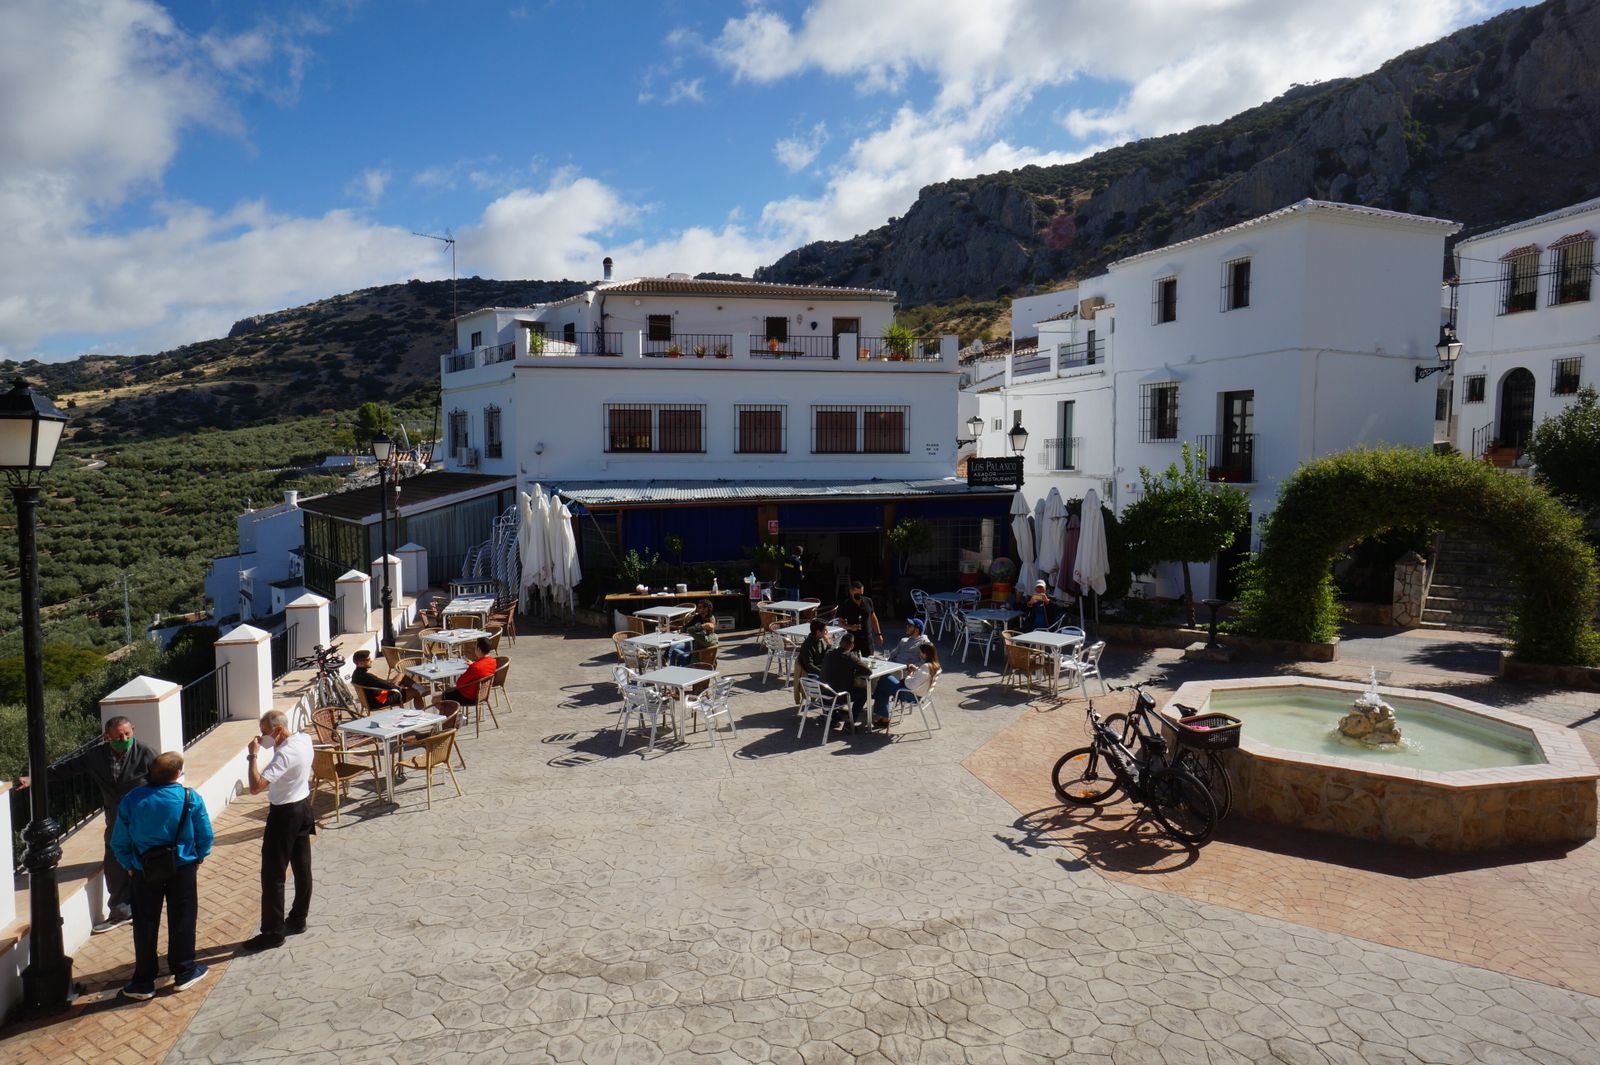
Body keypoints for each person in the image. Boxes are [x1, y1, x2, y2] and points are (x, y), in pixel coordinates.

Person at [14, 716, 155, 934]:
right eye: (118, 736)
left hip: (143, 819)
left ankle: (146, 907)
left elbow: (163, 782)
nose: (124, 738)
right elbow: (65, 768)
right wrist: (33, 778)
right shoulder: (95, 756)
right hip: (116, 821)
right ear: (107, 736)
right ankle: (121, 912)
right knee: (115, 862)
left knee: (145, 861)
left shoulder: (146, 754)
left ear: (133, 730)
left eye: (127, 733)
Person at [111, 750, 213, 999]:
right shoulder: (190, 797)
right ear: (178, 773)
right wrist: (198, 857)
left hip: (144, 869)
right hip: (182, 867)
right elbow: (205, 835)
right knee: (183, 918)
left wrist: (129, 865)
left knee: (145, 923)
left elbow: (119, 841)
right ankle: (184, 971)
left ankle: (144, 981)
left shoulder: (131, 800)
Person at [244, 710, 314, 951]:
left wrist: (252, 756)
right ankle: (298, 918)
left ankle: (273, 932)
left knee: (273, 874)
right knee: (302, 866)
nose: (261, 738)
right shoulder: (304, 739)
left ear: (278, 731)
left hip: (285, 814)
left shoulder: (285, 753)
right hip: (304, 806)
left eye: (264, 734)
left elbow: (255, 787)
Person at [871, 618, 933, 725]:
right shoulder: (904, 640)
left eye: (910, 626)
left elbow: (925, 660)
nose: (907, 627)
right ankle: (881, 709)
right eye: (907, 625)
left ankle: (880, 710)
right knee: (876, 676)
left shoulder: (923, 643)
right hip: (893, 668)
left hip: (904, 674)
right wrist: (888, 662)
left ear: (917, 629)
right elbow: (892, 654)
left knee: (882, 681)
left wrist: (910, 667)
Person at [820, 631, 873, 730]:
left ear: (840, 643)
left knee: (836, 684)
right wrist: (854, 673)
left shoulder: (828, 654)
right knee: (864, 693)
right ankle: (850, 722)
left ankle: (832, 717)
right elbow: (868, 671)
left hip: (822, 695)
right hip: (838, 696)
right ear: (852, 646)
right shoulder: (850, 657)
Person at [351, 649, 424, 711]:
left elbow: (383, 684)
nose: (371, 661)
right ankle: (422, 715)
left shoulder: (355, 675)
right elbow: (386, 685)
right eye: (368, 659)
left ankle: (420, 688)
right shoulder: (367, 677)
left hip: (372, 700)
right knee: (415, 692)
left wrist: (395, 684)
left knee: (401, 675)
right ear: (360, 663)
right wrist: (400, 688)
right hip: (380, 700)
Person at [435, 637, 497, 708]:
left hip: (468, 697)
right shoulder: (493, 662)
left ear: (479, 650)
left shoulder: (475, 667)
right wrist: (473, 664)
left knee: (436, 699)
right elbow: (482, 669)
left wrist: (473, 666)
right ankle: (454, 716)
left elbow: (459, 684)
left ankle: (450, 718)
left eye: (475, 647)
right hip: (482, 695)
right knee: (448, 693)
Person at [667, 600, 719, 666]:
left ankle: (675, 669)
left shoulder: (711, 620)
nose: (697, 609)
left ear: (706, 608)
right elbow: (685, 628)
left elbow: (691, 630)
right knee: (673, 648)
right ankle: (671, 664)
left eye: (700, 607)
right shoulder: (697, 617)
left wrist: (694, 630)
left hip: (696, 649)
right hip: (694, 644)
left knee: (674, 650)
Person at [836, 580, 882, 655]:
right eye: (857, 594)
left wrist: (878, 634)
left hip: (867, 640)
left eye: (861, 594)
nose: (860, 596)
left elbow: (873, 618)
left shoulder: (868, 601)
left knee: (868, 662)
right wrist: (851, 627)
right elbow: (841, 623)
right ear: (851, 591)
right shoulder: (846, 605)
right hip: (853, 642)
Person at [792, 617, 831, 701]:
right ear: (818, 632)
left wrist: (828, 645)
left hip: (818, 670)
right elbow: (809, 666)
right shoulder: (807, 645)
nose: (826, 632)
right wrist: (823, 673)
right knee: (833, 683)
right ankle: (828, 705)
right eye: (825, 630)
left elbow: (824, 657)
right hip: (810, 675)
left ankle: (830, 703)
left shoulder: (819, 640)